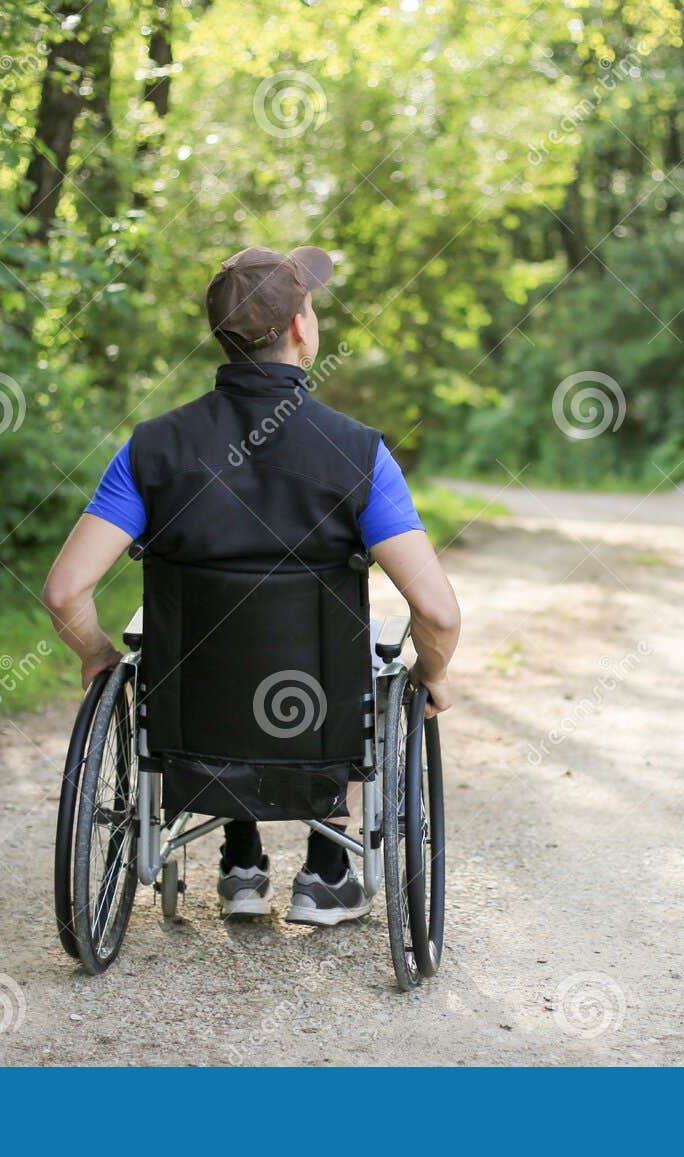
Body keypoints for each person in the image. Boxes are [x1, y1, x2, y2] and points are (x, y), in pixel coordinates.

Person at [42, 243, 461, 926]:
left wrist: (95, 655)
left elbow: (64, 593)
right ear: (301, 327)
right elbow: (436, 612)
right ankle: (328, 871)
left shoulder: (152, 449)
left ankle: (240, 859)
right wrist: (433, 671)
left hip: (189, 730)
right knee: (364, 664)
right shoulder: (357, 454)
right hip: (320, 731)